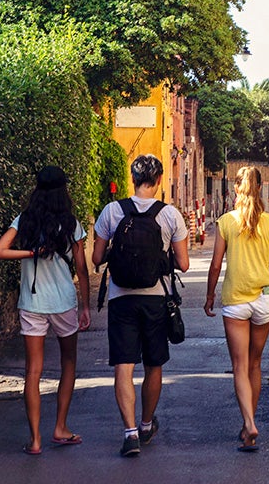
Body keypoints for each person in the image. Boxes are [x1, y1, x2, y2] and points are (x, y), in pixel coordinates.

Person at [92, 154, 190, 457]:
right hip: (156, 299)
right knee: (153, 364)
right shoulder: (170, 215)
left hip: (121, 299)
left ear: (132, 178)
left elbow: (96, 258)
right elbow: (184, 264)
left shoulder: (112, 211)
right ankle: (146, 424)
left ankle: (130, 433)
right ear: (159, 180)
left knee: (124, 365)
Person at [0, 165, 91, 456]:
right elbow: (82, 269)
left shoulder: (25, 220)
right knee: (68, 362)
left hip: (32, 303)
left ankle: (35, 440)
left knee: (32, 371)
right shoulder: (71, 224)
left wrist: (31, 252)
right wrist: (86, 306)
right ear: (63, 189)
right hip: (63, 303)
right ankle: (60, 428)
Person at [203, 165, 269, 453]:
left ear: (235, 188)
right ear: (261, 188)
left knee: (240, 366)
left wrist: (209, 296)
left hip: (236, 300)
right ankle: (248, 426)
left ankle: (249, 423)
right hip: (265, 300)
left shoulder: (227, 222)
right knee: (255, 364)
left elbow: (216, 265)